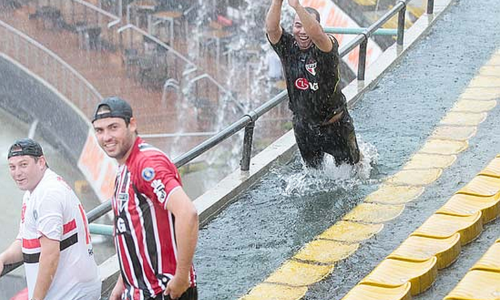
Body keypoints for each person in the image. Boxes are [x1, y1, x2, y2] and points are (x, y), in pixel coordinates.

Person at [91, 97, 199, 300]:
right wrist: (123, 282)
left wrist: (181, 276)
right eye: (100, 130)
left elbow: (188, 213)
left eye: (113, 127)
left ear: (132, 124)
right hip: (139, 291)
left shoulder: (147, 163)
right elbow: (131, 230)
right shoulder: (125, 167)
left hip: (164, 291)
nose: (106, 137)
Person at [0, 138, 100, 300]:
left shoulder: (47, 194)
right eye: (12, 167)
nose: (17, 172)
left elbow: (50, 256)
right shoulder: (35, 191)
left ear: (41, 162)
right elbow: (26, 242)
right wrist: (3, 258)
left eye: (23, 165)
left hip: (70, 294)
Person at [265, 0, 361, 168]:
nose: (302, 32)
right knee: (312, 175)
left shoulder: (326, 47)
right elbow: (272, 29)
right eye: (297, 26)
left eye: (306, 26)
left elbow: (316, 34)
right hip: (305, 128)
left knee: (353, 171)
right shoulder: (288, 47)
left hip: (335, 126)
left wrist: (297, 6)